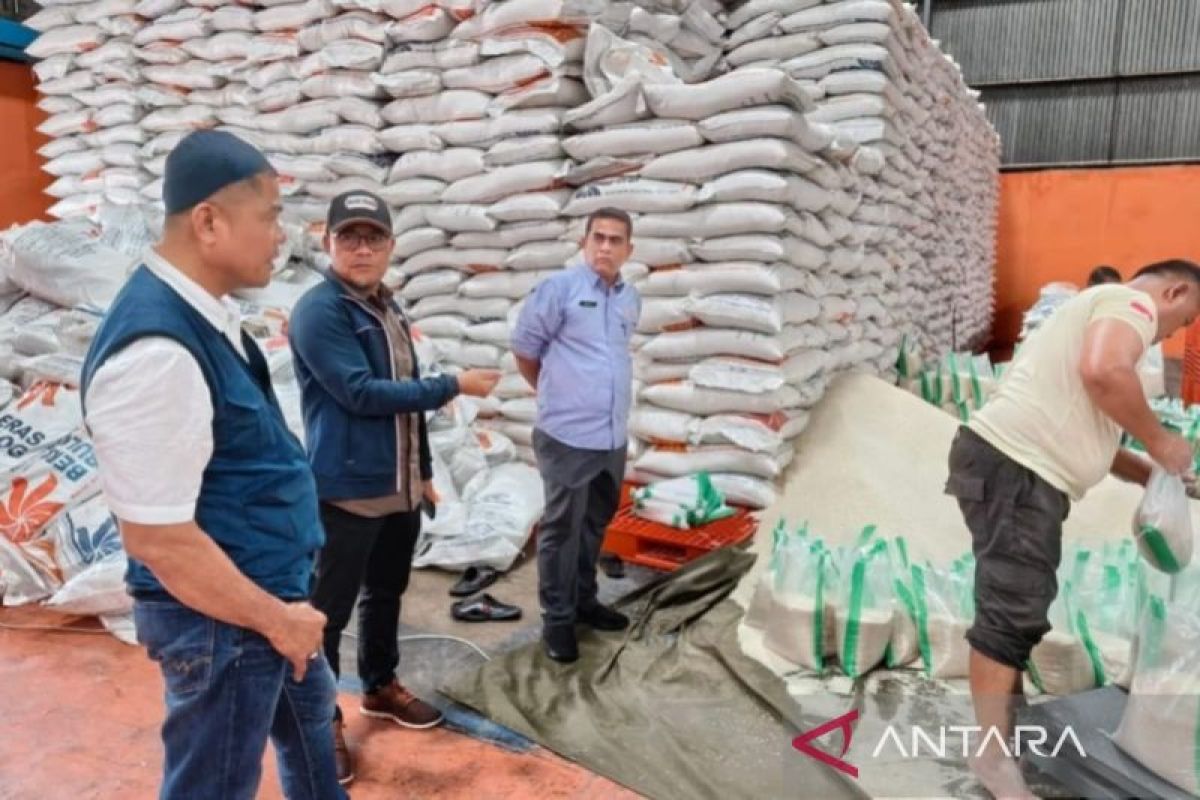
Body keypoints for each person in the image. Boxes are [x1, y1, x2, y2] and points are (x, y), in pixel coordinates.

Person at [80, 130, 345, 800]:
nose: (279, 238)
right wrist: (279, 621)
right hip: (225, 625)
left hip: (260, 602)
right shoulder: (157, 353)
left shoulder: (206, 317)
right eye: (269, 218)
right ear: (209, 221)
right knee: (213, 785)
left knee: (310, 718)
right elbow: (160, 541)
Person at [945, 259, 1200, 799]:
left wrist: (1160, 475)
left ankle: (1003, 739)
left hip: (1014, 470)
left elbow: (1098, 443)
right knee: (1010, 611)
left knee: (1015, 606)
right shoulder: (1129, 304)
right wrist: (1161, 441)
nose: (1171, 334)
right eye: (1181, 321)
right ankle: (991, 757)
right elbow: (1105, 372)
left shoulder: (1094, 314)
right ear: (1174, 290)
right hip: (1016, 471)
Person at [288, 191, 500, 784]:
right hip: (346, 491)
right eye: (349, 237)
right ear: (327, 243)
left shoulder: (387, 307)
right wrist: (452, 383)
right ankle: (319, 720)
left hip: (399, 488)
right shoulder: (320, 311)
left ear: (389, 247)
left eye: (373, 237)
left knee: (386, 594)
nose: (362, 248)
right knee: (324, 616)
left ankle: (379, 685)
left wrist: (425, 471)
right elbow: (359, 393)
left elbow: (404, 402)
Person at [511, 207, 641, 664]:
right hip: (567, 435)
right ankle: (558, 619)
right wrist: (555, 392)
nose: (606, 246)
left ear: (629, 249)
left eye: (615, 240)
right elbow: (525, 350)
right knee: (561, 531)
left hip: (610, 438)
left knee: (593, 525)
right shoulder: (559, 290)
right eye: (598, 237)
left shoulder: (630, 299)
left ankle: (585, 601)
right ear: (585, 242)